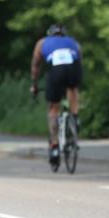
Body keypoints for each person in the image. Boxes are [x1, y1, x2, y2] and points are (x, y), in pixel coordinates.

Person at [30, 23, 82, 165]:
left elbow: (35, 66)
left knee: (53, 109)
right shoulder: (73, 42)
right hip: (74, 69)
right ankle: (75, 118)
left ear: (50, 34)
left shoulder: (42, 43)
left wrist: (34, 85)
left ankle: (54, 146)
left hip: (56, 71)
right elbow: (79, 60)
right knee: (72, 89)